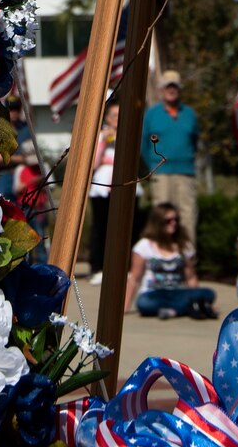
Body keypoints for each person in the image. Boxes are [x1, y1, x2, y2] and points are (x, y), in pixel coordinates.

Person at [139, 72, 200, 252]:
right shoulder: (152, 114)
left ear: (179, 89)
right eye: (167, 86)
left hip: (185, 172)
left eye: (174, 86)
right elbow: (144, 144)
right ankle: (161, 254)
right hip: (161, 172)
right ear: (161, 90)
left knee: (187, 215)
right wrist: (152, 165)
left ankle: (187, 256)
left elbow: (194, 141)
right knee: (162, 214)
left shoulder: (189, 114)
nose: (171, 90)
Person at [125, 202, 216, 321]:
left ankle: (175, 310)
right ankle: (189, 308)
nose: (174, 223)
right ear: (158, 223)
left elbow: (190, 277)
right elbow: (134, 279)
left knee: (209, 293)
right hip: (154, 293)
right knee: (143, 303)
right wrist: (125, 307)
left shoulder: (184, 245)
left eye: (176, 219)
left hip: (178, 292)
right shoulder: (144, 246)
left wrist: (197, 296)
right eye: (168, 220)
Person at [87, 100, 119, 285]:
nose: (117, 119)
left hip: (122, 184)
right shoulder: (100, 137)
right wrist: (103, 142)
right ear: (107, 118)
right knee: (101, 227)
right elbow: (93, 164)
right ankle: (97, 266)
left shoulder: (127, 135)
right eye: (114, 115)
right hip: (101, 186)